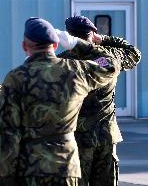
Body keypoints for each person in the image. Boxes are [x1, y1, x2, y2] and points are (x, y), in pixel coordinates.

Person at [0, 17, 122, 186]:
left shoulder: (16, 78)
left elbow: (7, 133)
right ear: (55, 45)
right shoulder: (75, 70)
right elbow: (111, 64)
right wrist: (79, 44)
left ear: (25, 47)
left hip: (30, 169)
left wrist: (5, 178)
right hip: (67, 167)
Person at [57, 15, 141, 186]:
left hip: (76, 137)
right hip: (106, 135)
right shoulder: (111, 57)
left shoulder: (62, 61)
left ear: (69, 35)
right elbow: (134, 54)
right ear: (93, 32)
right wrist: (103, 39)